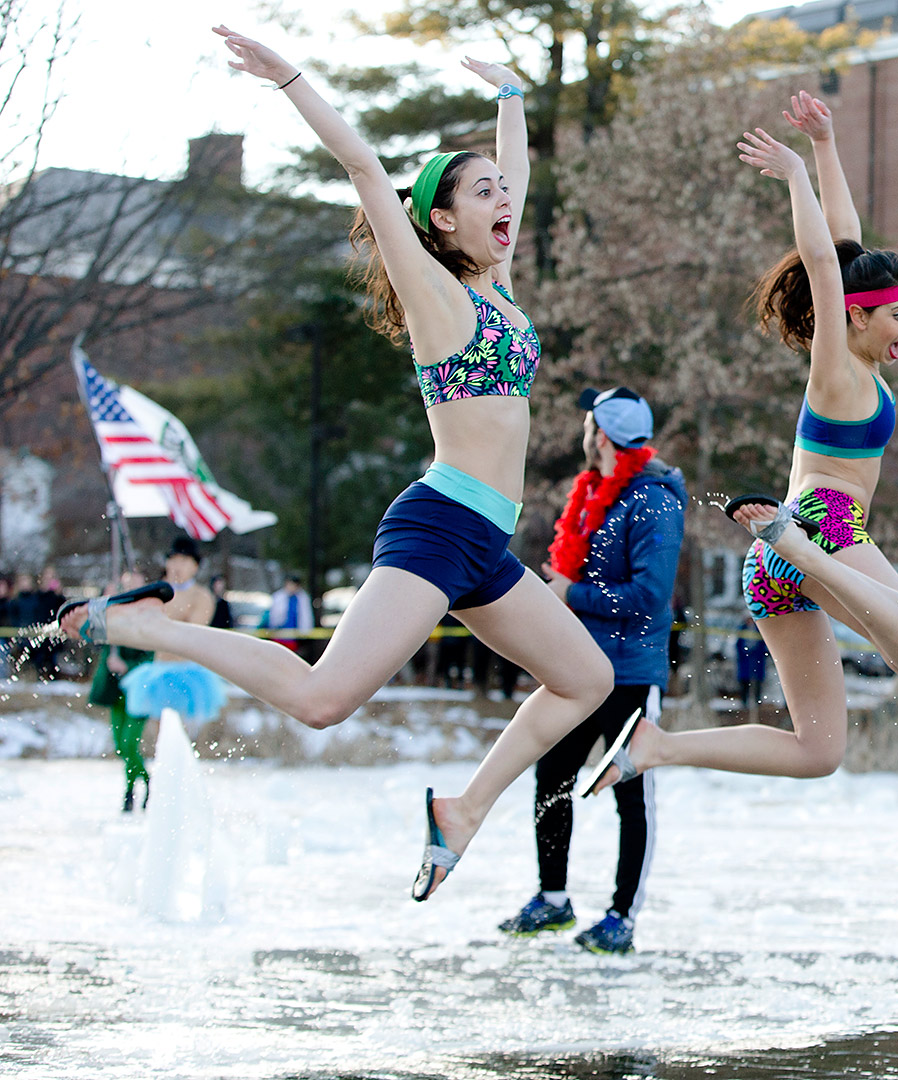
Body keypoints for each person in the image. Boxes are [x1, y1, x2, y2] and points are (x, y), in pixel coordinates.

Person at [61, 27, 614, 905]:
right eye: (483, 193)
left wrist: (512, 99)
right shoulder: (440, 300)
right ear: (439, 219)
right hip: (440, 527)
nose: (505, 201)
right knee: (323, 699)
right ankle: (143, 628)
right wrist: (290, 78)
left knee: (587, 677)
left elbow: (519, 176)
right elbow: (363, 167)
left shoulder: (501, 290)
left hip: (485, 542)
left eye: (504, 192)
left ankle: (463, 811)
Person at [583, 92, 898, 794]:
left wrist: (824, 144)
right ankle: (793, 544)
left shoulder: (860, 360)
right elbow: (822, 258)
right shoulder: (838, 368)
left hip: (779, 560)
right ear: (856, 316)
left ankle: (655, 747)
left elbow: (844, 245)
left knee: (817, 752)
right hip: (820, 530)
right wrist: (796, 179)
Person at [498, 387, 685, 956]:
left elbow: (650, 596)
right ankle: (552, 900)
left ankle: (622, 916)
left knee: (630, 794)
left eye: (589, 423)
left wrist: (570, 592)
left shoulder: (653, 500)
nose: (584, 432)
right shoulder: (592, 492)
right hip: (578, 669)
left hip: (628, 672)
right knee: (551, 774)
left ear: (600, 434)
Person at [120, 536, 231, 731]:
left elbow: (192, 629)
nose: (177, 567)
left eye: (184, 561)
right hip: (159, 668)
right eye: (174, 560)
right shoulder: (157, 593)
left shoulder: (201, 595)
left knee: (183, 731)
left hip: (187, 670)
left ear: (195, 566)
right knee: (158, 730)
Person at [88, 571, 157, 811]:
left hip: (138, 689)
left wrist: (128, 666)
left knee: (129, 743)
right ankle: (133, 788)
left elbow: (152, 656)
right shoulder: (112, 614)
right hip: (115, 688)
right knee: (120, 746)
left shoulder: (147, 617)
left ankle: (142, 785)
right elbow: (93, 634)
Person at [266, 574, 314, 652]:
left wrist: (305, 632)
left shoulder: (302, 598)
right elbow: (274, 616)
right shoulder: (278, 596)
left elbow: (306, 617)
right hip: (279, 634)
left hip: (294, 636)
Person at [736, 614, 769, 714]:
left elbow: (763, 645)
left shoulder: (759, 630)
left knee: (757, 682)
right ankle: (744, 702)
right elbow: (738, 645)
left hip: (757, 660)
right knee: (744, 682)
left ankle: (757, 701)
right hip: (746, 661)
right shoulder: (742, 629)